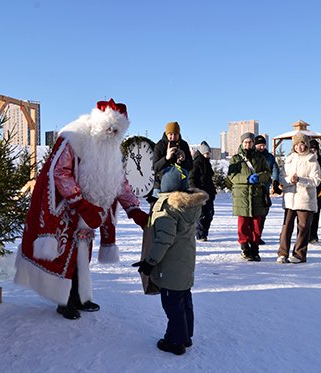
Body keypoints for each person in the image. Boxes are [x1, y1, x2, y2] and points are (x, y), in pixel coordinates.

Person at [14, 99, 149, 320]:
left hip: (90, 214)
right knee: (65, 256)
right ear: (98, 123)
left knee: (82, 256)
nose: (112, 133)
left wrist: (133, 209)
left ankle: (78, 296)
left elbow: (119, 182)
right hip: (67, 209)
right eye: (109, 127)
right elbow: (59, 172)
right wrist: (80, 204)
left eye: (117, 130)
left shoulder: (111, 150)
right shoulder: (75, 138)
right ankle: (63, 300)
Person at [133, 165, 208, 355]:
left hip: (169, 267)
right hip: (184, 264)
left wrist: (150, 262)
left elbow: (163, 240)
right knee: (184, 300)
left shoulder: (168, 209)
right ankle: (186, 336)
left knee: (172, 305)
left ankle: (175, 341)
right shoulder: (188, 205)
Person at [276, 133, 321, 264]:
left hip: (305, 199)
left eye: (302, 144)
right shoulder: (289, 159)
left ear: (306, 144)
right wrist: (289, 180)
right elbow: (281, 177)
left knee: (303, 228)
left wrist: (300, 180)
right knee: (286, 227)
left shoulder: (312, 160)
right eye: (296, 144)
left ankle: (299, 254)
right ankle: (282, 253)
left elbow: (316, 181)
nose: (299, 147)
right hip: (290, 198)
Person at [227, 132, 270, 261]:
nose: (248, 144)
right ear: (241, 143)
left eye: (250, 142)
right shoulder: (236, 159)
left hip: (257, 195)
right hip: (242, 196)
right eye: (245, 142)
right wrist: (246, 178)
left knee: (256, 224)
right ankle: (245, 248)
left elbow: (267, 173)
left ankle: (255, 248)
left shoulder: (260, 158)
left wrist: (259, 177)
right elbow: (232, 176)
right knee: (243, 224)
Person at [152, 121, 193, 199]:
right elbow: (155, 167)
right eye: (170, 134)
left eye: (175, 134)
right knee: (155, 208)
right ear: (166, 134)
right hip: (161, 184)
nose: (173, 137)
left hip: (180, 184)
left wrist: (183, 160)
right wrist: (166, 158)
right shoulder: (160, 145)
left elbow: (190, 166)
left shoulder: (184, 145)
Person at [254, 135, 280, 245]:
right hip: (254, 188)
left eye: (263, 145)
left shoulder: (269, 156)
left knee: (263, 212)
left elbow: (274, 168)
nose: (262, 147)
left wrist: (275, 181)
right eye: (260, 145)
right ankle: (252, 236)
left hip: (265, 188)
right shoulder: (252, 156)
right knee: (253, 214)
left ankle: (258, 235)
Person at [189, 141, 217, 241]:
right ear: (202, 153)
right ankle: (200, 234)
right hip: (200, 193)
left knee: (209, 214)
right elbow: (191, 179)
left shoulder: (207, 163)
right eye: (206, 153)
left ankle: (204, 233)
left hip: (209, 193)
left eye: (209, 153)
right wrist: (196, 191)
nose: (208, 155)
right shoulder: (196, 163)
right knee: (202, 214)